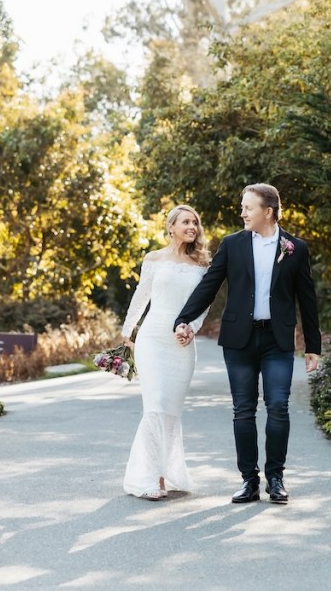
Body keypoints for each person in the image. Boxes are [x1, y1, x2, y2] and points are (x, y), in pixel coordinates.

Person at [174, 183, 321, 505]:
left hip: (277, 340)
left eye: (248, 207)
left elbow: (307, 300)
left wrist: (313, 346)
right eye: (242, 207)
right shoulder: (232, 245)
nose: (242, 212)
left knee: (278, 407)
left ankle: (277, 479)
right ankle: (248, 481)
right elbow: (209, 286)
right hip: (239, 339)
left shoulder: (295, 248)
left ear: (267, 212)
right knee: (243, 410)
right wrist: (183, 319)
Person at [120, 205, 211, 500]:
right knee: (155, 404)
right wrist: (127, 331)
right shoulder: (154, 258)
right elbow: (140, 296)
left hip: (182, 342)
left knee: (170, 411)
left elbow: (204, 304)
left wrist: (191, 328)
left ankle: (167, 473)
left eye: (195, 222)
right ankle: (148, 477)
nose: (192, 227)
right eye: (186, 222)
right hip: (152, 338)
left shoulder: (202, 265)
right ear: (171, 227)